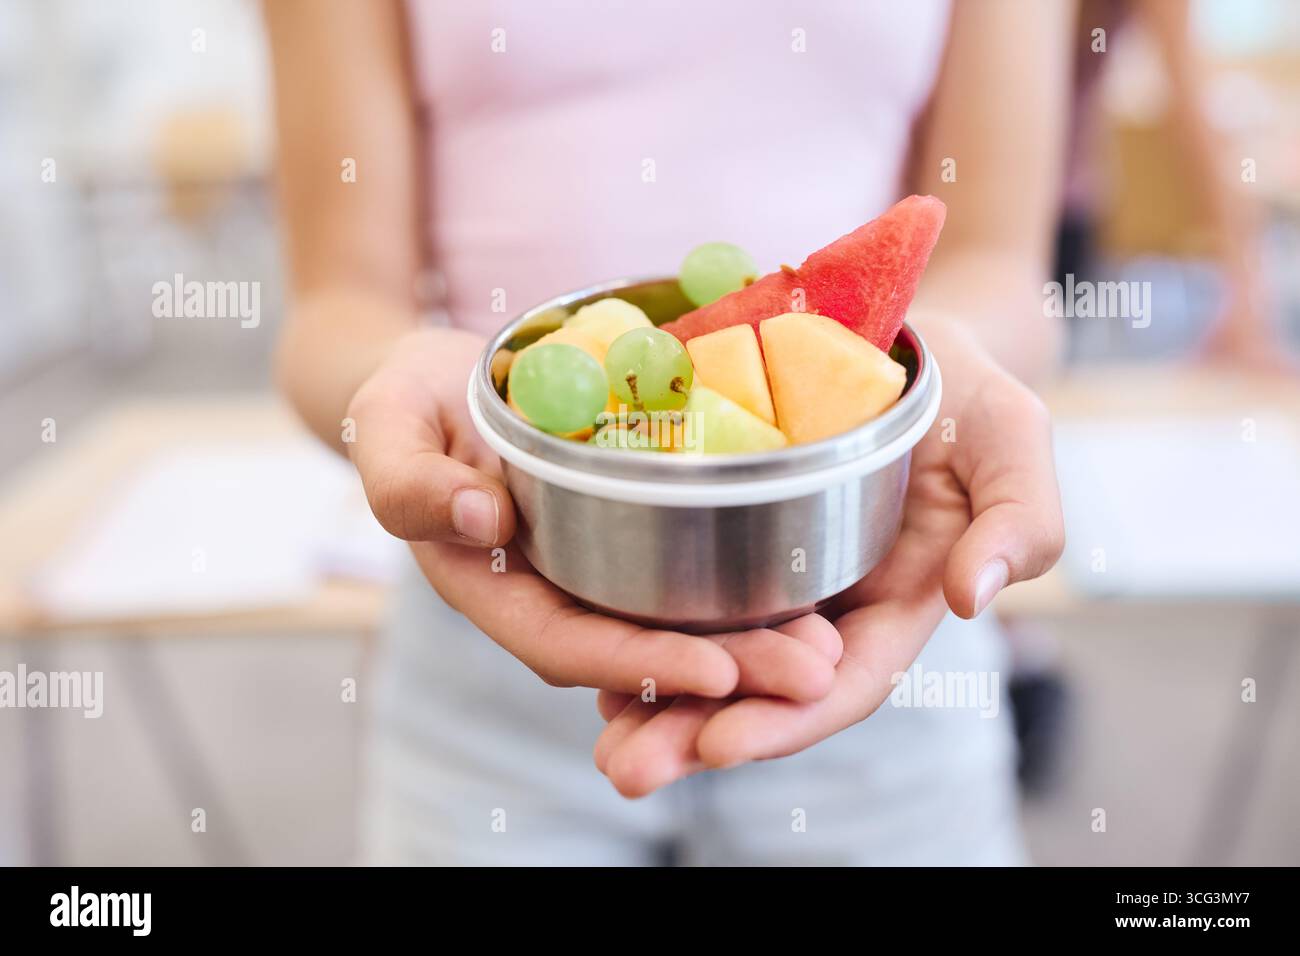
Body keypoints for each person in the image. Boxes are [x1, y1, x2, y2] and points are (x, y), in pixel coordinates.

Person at [265, 0, 1067, 865]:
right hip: (498, 601)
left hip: (871, 603)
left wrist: (951, 365)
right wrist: (391, 388)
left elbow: (999, 261)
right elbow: (336, 304)